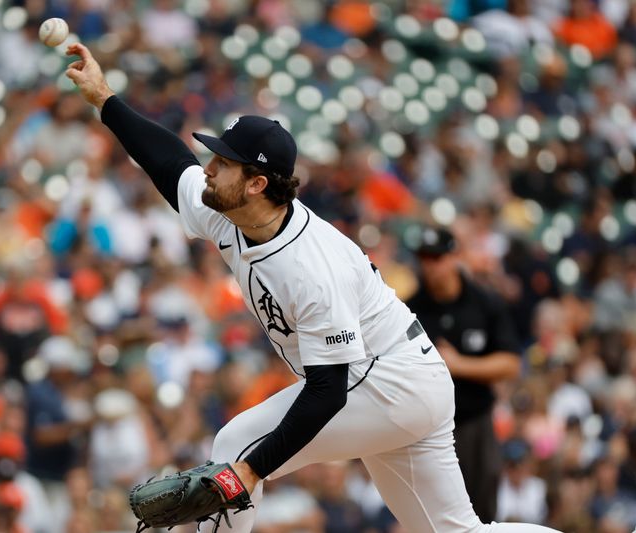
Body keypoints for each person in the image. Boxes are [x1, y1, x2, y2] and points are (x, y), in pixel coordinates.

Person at [64, 41, 567, 532]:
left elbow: (328, 393)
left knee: (236, 449)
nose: (208, 169)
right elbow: (170, 163)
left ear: (258, 183)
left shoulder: (310, 266)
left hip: (390, 381)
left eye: (222, 162)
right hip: (403, 378)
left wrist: (252, 470)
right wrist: (106, 99)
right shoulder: (231, 211)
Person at [406, 226, 521, 523]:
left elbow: (511, 363)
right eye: (425, 258)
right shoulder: (409, 310)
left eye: (438, 257)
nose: (431, 266)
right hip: (427, 426)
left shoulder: (484, 303)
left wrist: (458, 365)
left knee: (482, 508)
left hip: (474, 422)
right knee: (432, 513)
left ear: (454, 257)